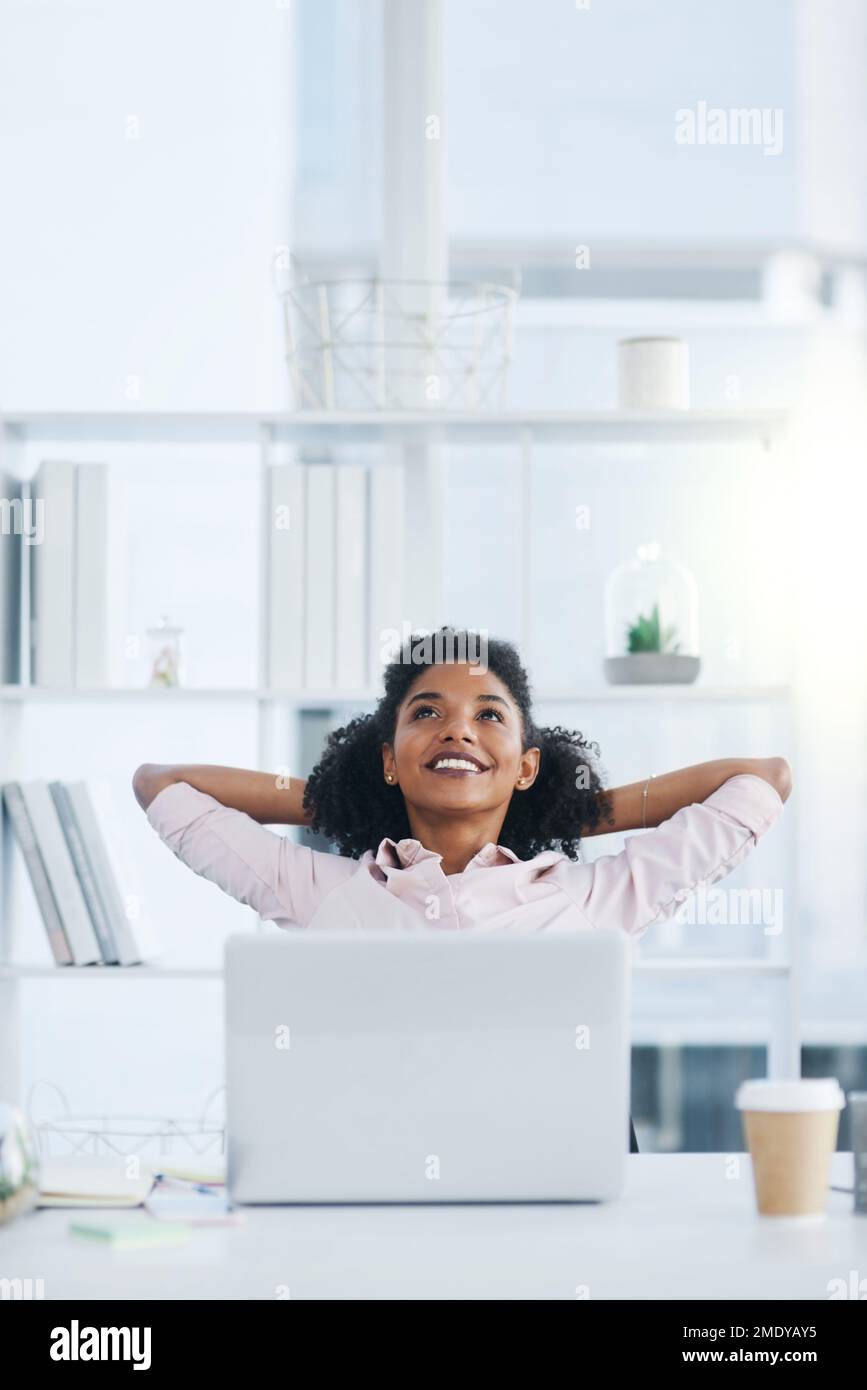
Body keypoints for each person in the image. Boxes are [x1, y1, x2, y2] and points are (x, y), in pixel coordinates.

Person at [133, 627, 792, 1155]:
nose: (457, 729)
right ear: (388, 759)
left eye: (488, 715)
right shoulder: (327, 893)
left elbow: (762, 777)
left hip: (559, 1211)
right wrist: (343, 802)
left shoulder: (592, 900)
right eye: (426, 713)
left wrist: (563, 811)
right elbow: (160, 784)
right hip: (382, 1201)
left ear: (527, 764)